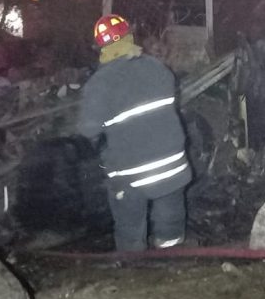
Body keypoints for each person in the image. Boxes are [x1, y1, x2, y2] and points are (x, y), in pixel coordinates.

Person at [77, 14, 192, 251]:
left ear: (100, 47)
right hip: (172, 166)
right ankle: (172, 260)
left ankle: (133, 263)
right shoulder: (158, 68)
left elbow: (88, 129)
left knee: (130, 232)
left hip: (130, 175)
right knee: (170, 229)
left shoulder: (98, 84)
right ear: (130, 37)